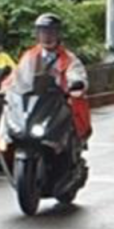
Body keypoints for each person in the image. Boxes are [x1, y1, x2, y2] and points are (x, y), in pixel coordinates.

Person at [1, 13, 90, 145]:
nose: (47, 36)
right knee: (7, 123)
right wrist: (5, 88)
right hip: (32, 101)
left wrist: (76, 82)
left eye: (51, 32)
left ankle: (68, 151)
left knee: (68, 124)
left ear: (58, 34)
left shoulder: (68, 59)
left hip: (56, 102)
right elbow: (17, 75)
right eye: (43, 32)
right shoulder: (29, 55)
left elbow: (76, 73)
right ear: (37, 34)